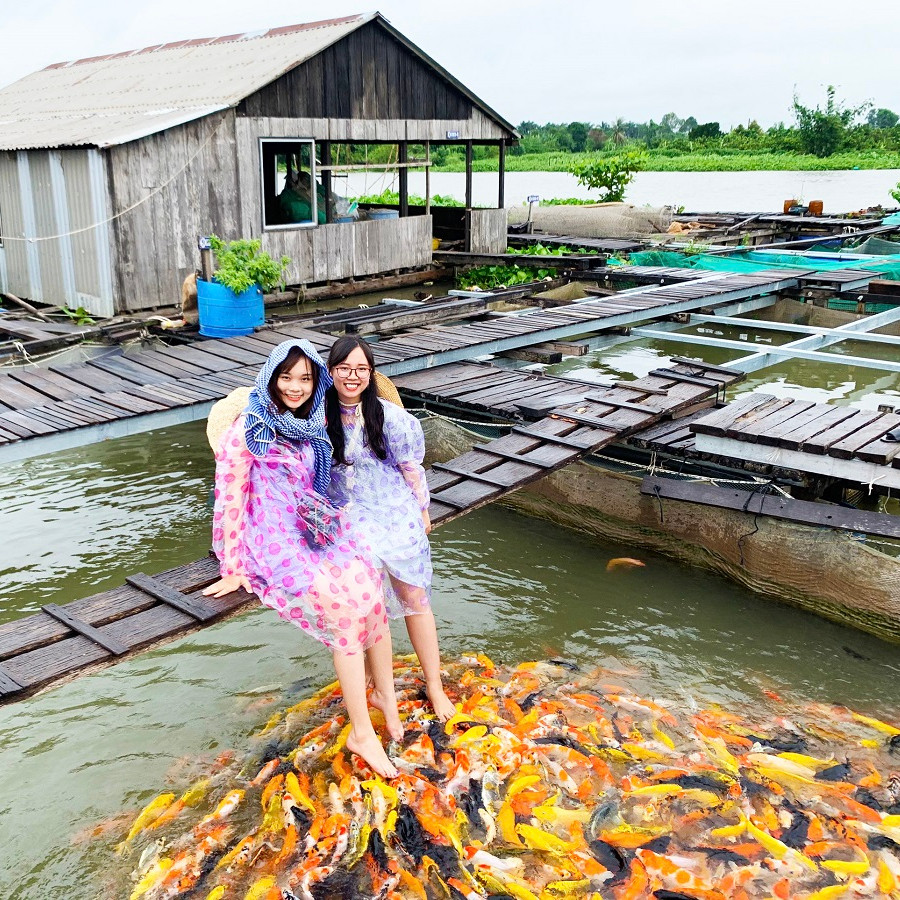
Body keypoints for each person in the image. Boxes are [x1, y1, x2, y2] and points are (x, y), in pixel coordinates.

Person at [202, 339, 401, 777]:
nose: (295, 387)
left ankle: (384, 693)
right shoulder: (247, 428)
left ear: (316, 382)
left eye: (305, 378)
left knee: (370, 582)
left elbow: (320, 482)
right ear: (272, 377)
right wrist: (232, 566)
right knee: (343, 609)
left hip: (310, 525)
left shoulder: (310, 423)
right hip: (270, 536)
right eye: (286, 377)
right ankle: (361, 733)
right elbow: (230, 497)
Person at [325, 336, 457, 722]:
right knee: (363, 603)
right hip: (348, 518)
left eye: (361, 369)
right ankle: (372, 682)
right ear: (331, 371)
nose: (352, 376)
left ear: (371, 373)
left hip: (393, 511)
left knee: (415, 598)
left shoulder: (392, 418)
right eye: (344, 368)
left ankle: (434, 682)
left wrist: (422, 509)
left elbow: (411, 468)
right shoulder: (318, 418)